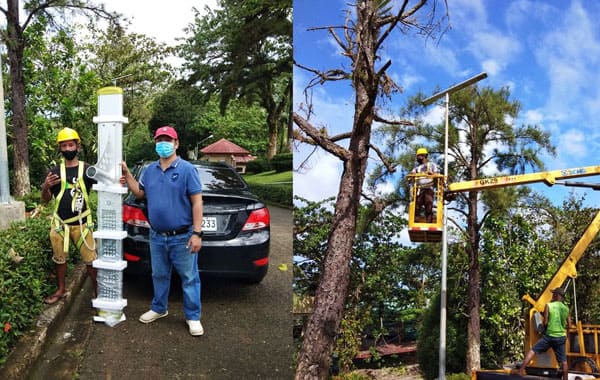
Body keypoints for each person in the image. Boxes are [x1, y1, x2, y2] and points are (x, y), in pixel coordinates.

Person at [120, 125, 205, 336]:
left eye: (167, 140)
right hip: (157, 235)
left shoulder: (187, 170)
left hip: (183, 236)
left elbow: (197, 202)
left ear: (176, 144)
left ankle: (193, 317)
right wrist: (127, 174)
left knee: (189, 278)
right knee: (158, 274)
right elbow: (140, 193)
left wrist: (197, 233)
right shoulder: (150, 170)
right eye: (159, 140)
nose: (163, 144)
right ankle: (159, 308)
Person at [41, 127, 98, 304]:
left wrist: (117, 181)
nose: (67, 149)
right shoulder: (54, 172)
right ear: (60, 148)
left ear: (77, 146)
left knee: (90, 260)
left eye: (70, 145)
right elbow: (45, 200)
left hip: (82, 224)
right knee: (59, 258)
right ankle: (61, 289)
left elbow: (104, 186)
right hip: (60, 223)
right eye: (64, 146)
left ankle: (98, 293)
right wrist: (45, 186)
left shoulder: (88, 169)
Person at [519, 288, 571, 380]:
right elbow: (569, 325)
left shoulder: (549, 305)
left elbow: (545, 322)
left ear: (556, 295)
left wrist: (543, 326)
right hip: (561, 337)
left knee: (533, 350)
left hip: (549, 336)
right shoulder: (566, 308)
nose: (552, 296)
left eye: (553, 294)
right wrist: (565, 333)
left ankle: (521, 370)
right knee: (564, 361)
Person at [410, 148, 439, 223]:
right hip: (420, 189)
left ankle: (429, 223)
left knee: (428, 206)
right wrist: (412, 175)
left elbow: (436, 175)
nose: (417, 158)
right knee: (417, 207)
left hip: (429, 188)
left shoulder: (432, 165)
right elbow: (411, 175)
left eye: (418, 156)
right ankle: (415, 222)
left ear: (423, 156)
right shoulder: (417, 168)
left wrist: (431, 174)